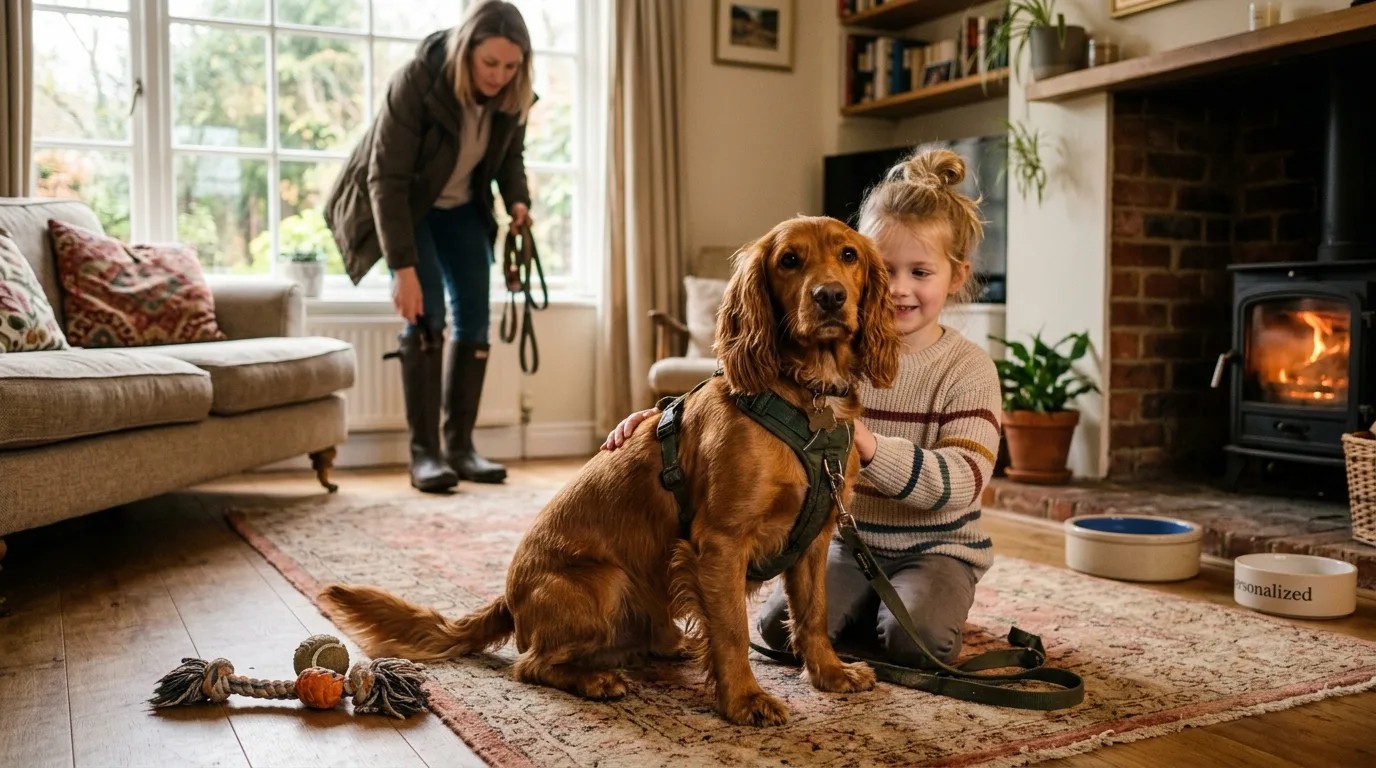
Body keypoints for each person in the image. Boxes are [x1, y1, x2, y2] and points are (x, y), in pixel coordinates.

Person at [601, 148, 1002, 669]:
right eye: (885, 266)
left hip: (936, 547)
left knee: (920, 640)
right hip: (845, 541)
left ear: (955, 276)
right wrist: (661, 423)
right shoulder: (828, 355)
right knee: (773, 631)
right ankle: (862, 610)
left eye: (920, 272)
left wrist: (868, 445)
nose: (900, 288)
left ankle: (894, 608)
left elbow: (965, 481)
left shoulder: (969, 368)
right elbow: (740, 393)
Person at [326, 0, 535, 493]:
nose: (499, 75)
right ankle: (425, 453)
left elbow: (510, 159)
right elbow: (386, 179)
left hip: (463, 209)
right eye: (490, 63)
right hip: (409, 204)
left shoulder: (513, 95)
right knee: (427, 314)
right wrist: (404, 270)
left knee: (476, 319)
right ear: (466, 51)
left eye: (511, 66)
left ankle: (460, 447)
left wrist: (518, 201)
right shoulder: (417, 82)